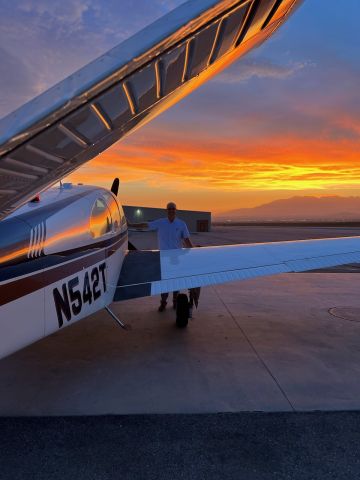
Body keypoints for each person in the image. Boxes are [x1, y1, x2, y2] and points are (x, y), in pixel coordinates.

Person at [127, 202, 194, 312]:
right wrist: (131, 225)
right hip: (163, 258)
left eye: (173, 208)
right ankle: (163, 302)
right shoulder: (161, 222)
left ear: (176, 210)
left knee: (176, 282)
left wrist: (194, 253)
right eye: (169, 209)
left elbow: (187, 241)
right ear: (166, 210)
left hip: (176, 258)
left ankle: (175, 301)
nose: (171, 210)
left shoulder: (181, 224)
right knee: (165, 282)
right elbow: (146, 225)